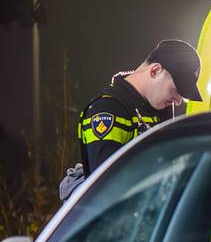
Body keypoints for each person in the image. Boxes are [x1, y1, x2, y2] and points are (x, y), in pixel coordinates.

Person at [60, 40, 202, 199]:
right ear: (155, 71)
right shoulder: (107, 109)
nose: (178, 101)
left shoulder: (161, 108)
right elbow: (106, 187)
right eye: (177, 90)